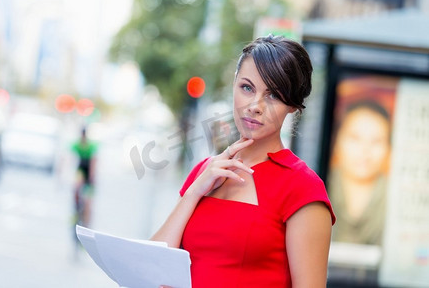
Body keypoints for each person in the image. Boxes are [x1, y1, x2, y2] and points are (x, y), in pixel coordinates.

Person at [152, 35, 336, 288]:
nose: (255, 106)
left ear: (293, 106)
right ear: (234, 86)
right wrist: (195, 190)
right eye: (247, 88)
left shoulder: (302, 188)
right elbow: (152, 268)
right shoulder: (205, 172)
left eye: (274, 95)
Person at [328, 100, 391, 245]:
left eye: (376, 141)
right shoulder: (317, 186)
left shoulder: (396, 196)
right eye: (355, 138)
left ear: (389, 148)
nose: (365, 150)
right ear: (337, 141)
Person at [71, 126, 98, 228]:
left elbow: (94, 162)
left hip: (89, 171)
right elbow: (69, 156)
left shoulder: (91, 146)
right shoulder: (77, 144)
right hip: (81, 170)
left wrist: (91, 178)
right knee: (76, 187)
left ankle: (87, 222)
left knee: (88, 202)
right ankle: (76, 209)